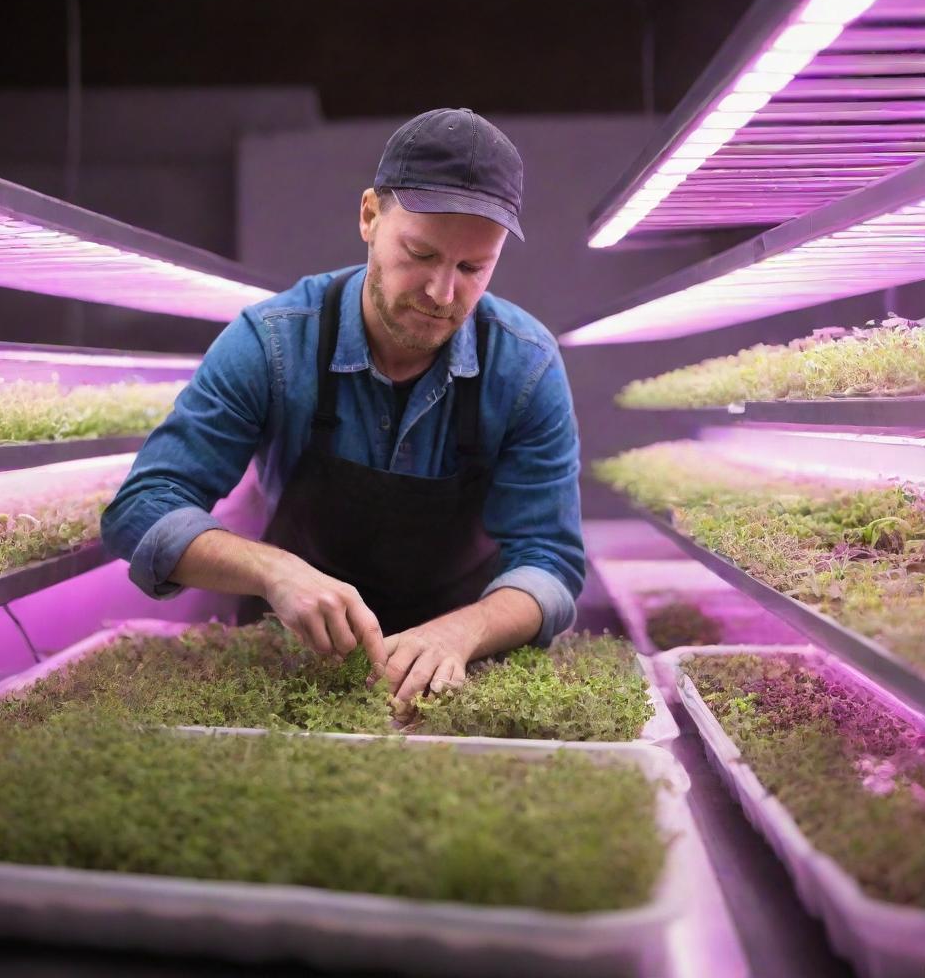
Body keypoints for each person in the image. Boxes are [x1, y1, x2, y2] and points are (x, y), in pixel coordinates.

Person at [101, 107, 585, 703]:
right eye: (421, 255)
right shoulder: (273, 343)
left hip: (454, 676)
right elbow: (142, 509)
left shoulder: (525, 365)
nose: (441, 293)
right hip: (293, 660)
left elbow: (551, 560)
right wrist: (276, 572)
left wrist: (466, 629)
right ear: (369, 217)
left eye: (471, 268)